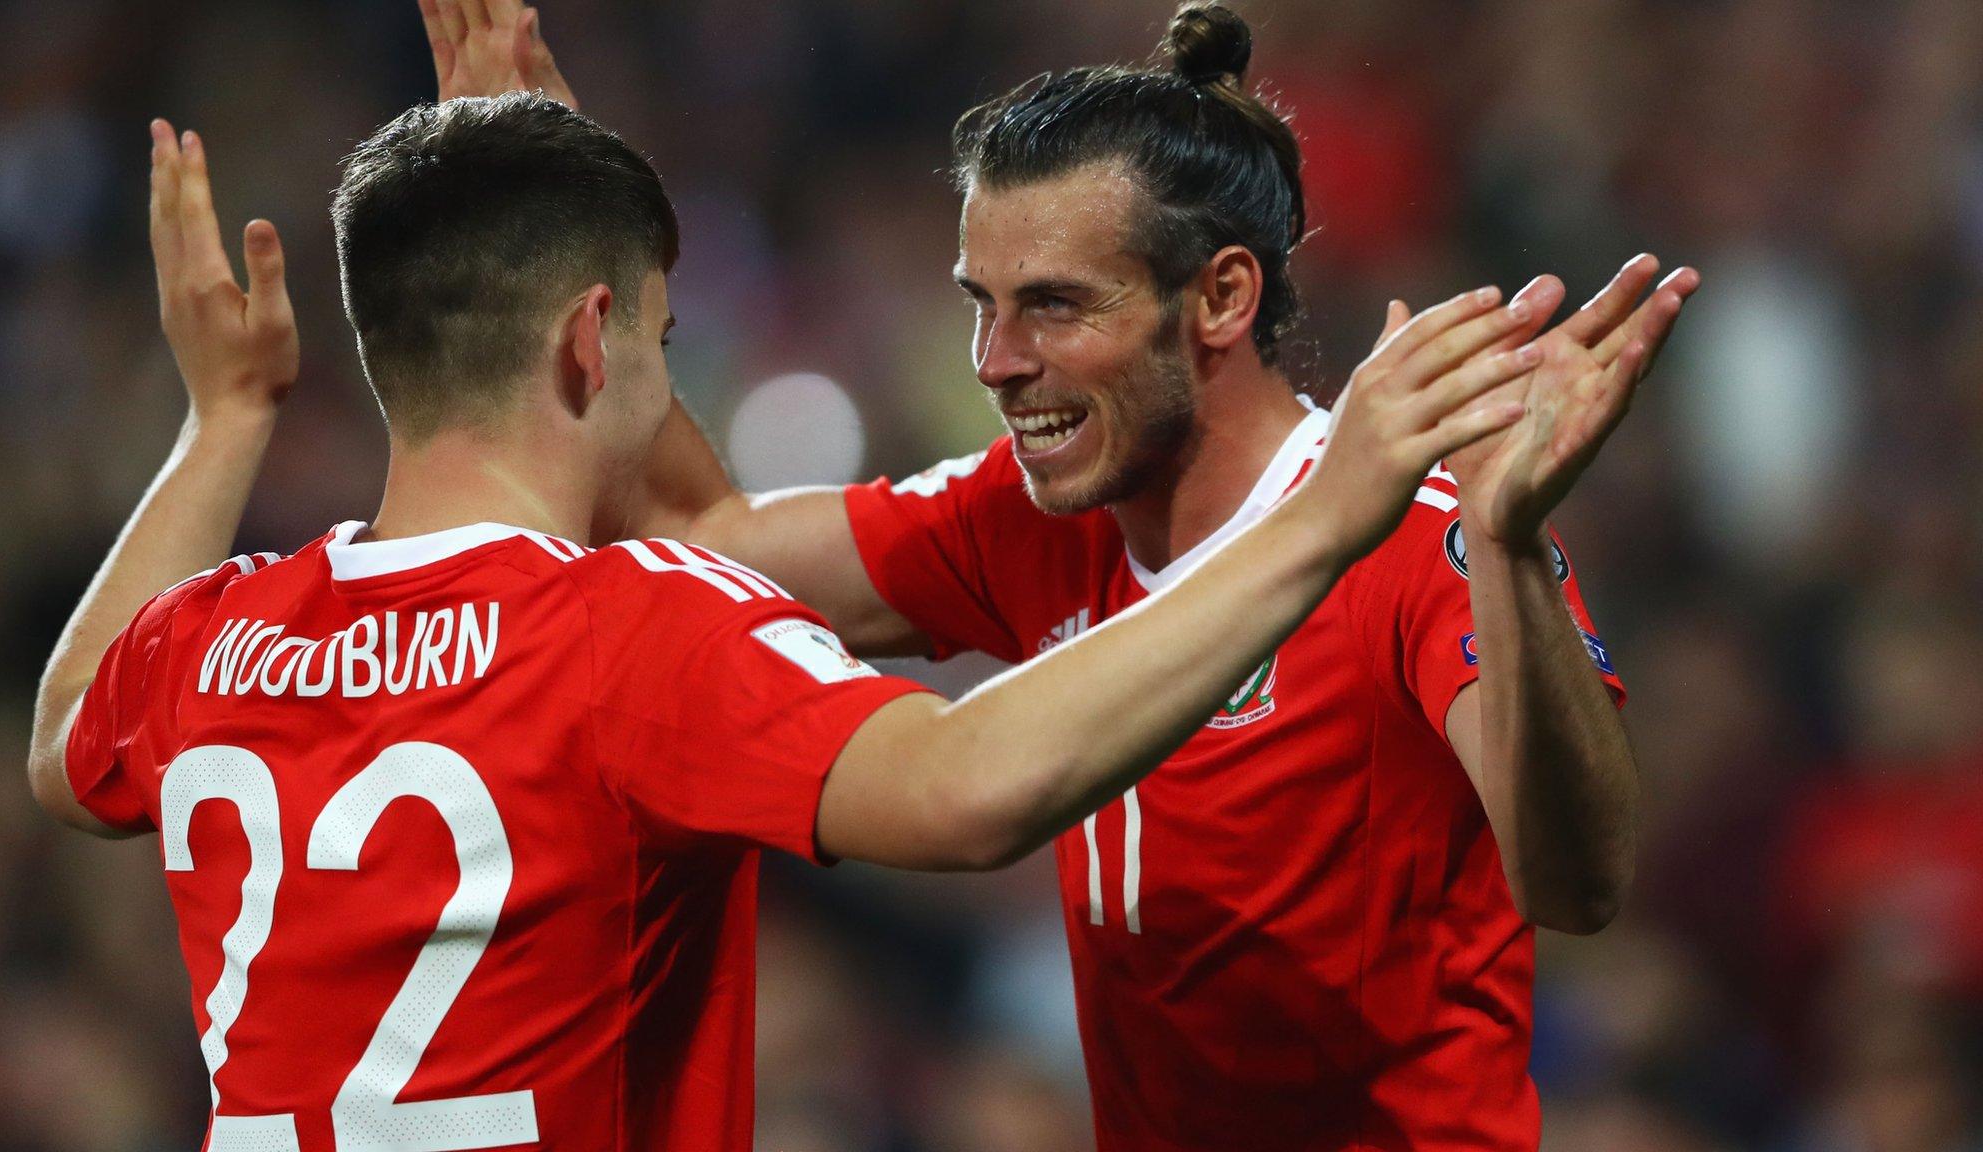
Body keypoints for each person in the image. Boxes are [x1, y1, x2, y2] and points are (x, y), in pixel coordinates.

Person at [25, 95, 1551, 1149]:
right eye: (667, 341)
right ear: (593, 339)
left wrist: (223, 419)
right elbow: (964, 792)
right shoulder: (630, 632)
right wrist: (1330, 516)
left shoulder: (216, 638)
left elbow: (61, 743)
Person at [433, 1, 1704, 1147]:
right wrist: (557, 215)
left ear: (1216, 298)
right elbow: (692, 542)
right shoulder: (1036, 516)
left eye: (1050, 305)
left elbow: (1577, 886)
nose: (993, 359)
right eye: (980, 303)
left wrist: (1510, 548)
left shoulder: (1420, 534)